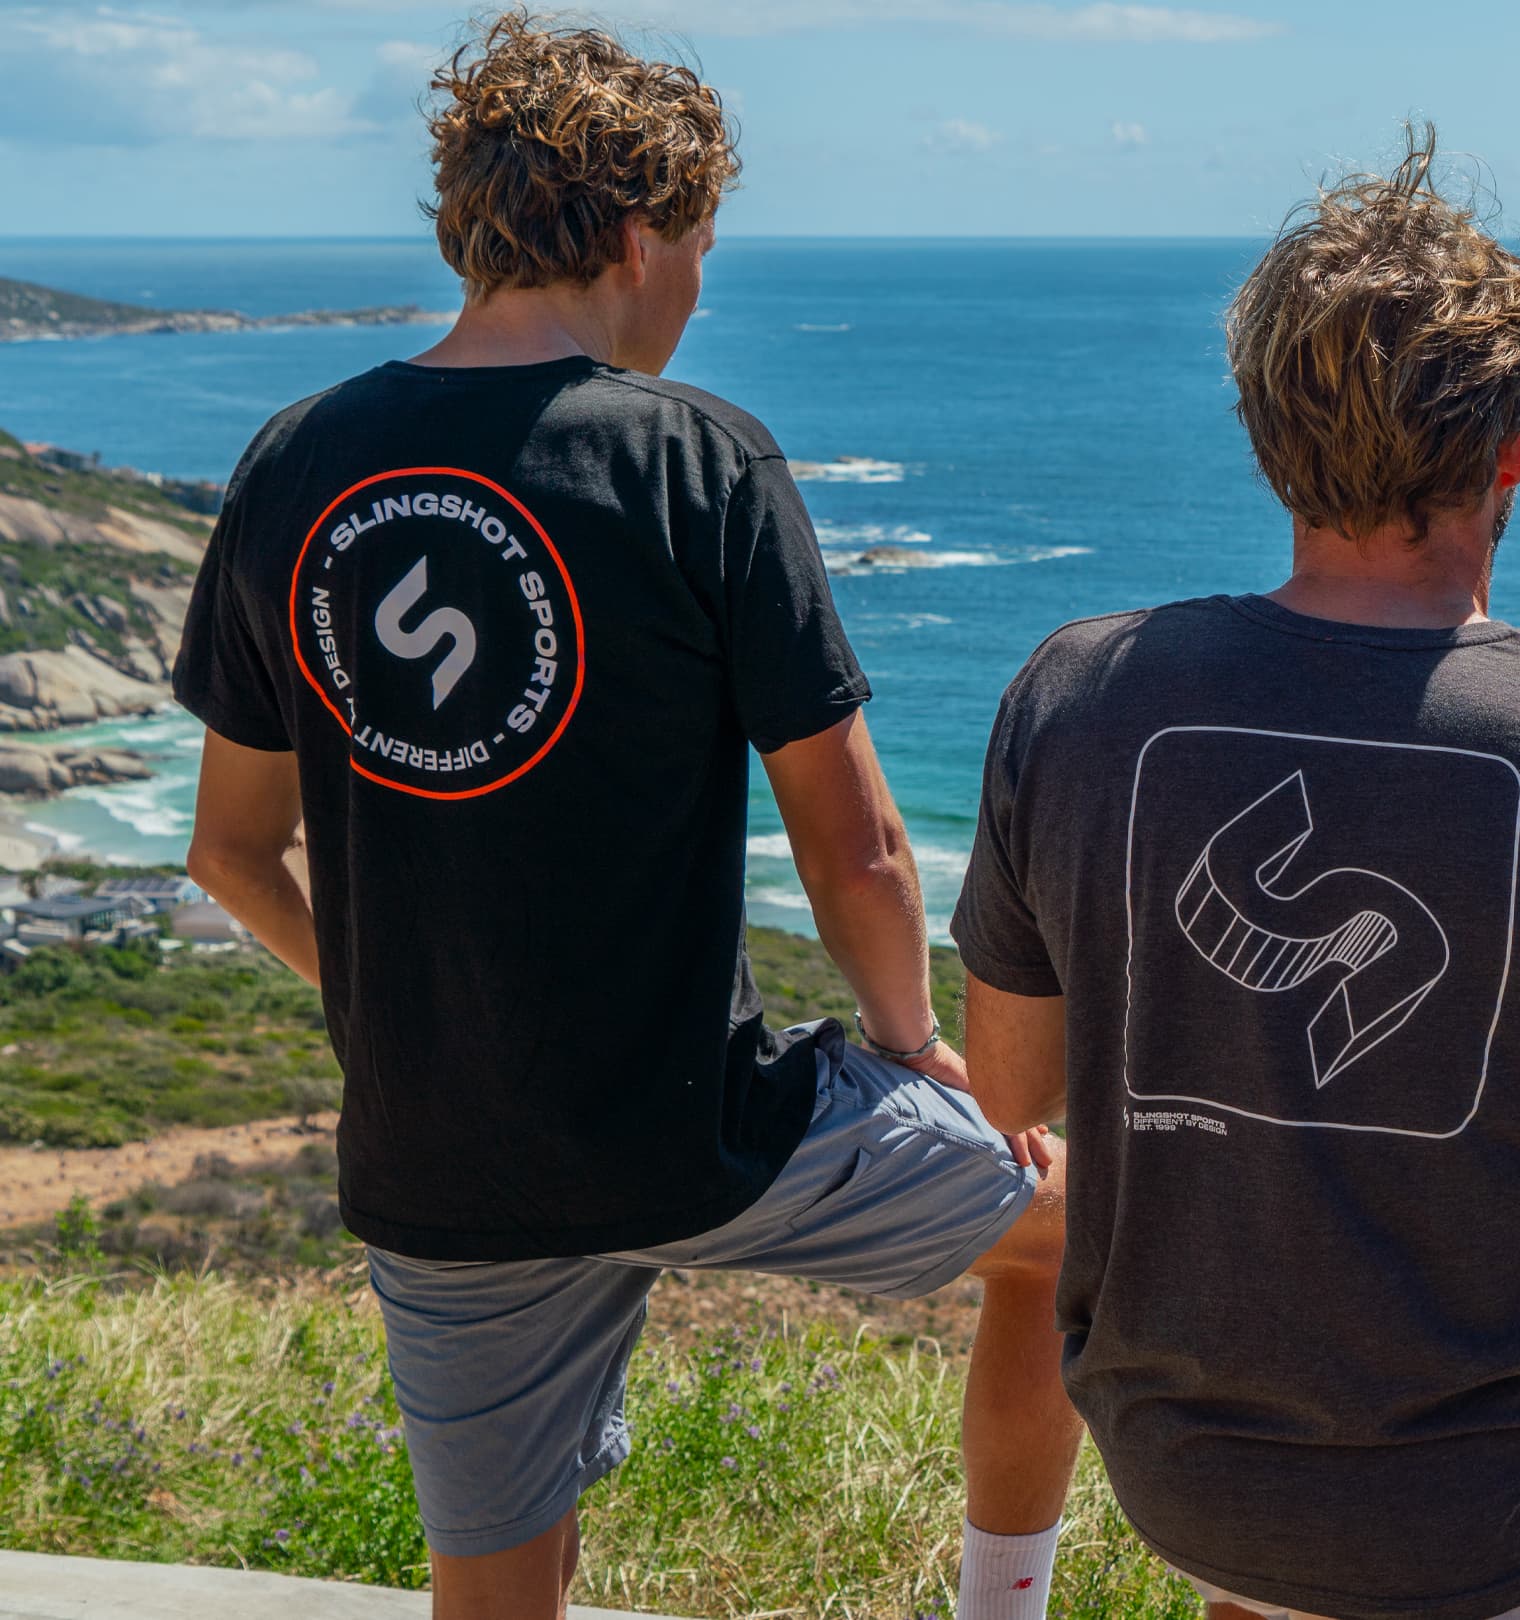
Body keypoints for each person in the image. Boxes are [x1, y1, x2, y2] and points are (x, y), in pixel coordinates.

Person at [173, 13, 1079, 1618]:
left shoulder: (294, 461)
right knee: (1080, 1232)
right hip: (699, 1134)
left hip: (439, 1157)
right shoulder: (696, 461)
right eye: (704, 251)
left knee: (495, 1592)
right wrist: (914, 1043)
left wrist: (389, 1011)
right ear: (644, 236)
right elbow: (857, 846)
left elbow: (229, 852)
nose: (698, 290)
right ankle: (1002, 1605)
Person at [949, 127, 1520, 1620]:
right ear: (1509, 452)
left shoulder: (1077, 699)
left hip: (1187, 1477)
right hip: (1487, 1515)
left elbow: (1012, 1086)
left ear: (1266, 438)